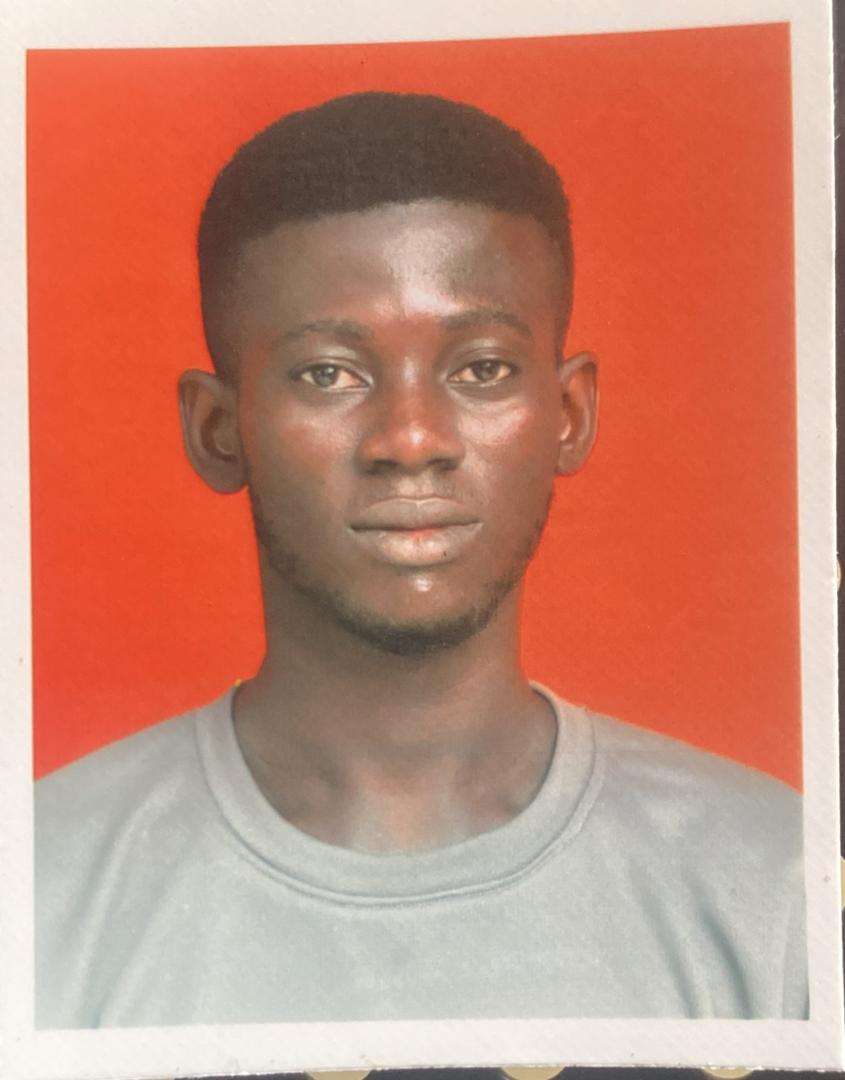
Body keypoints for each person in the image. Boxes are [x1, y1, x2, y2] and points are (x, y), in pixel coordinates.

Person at [35, 91, 807, 1028]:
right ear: (217, 429)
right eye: (329, 373)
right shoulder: (38, 889)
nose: (410, 440)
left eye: (481, 369)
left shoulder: (776, 887)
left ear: (568, 414)